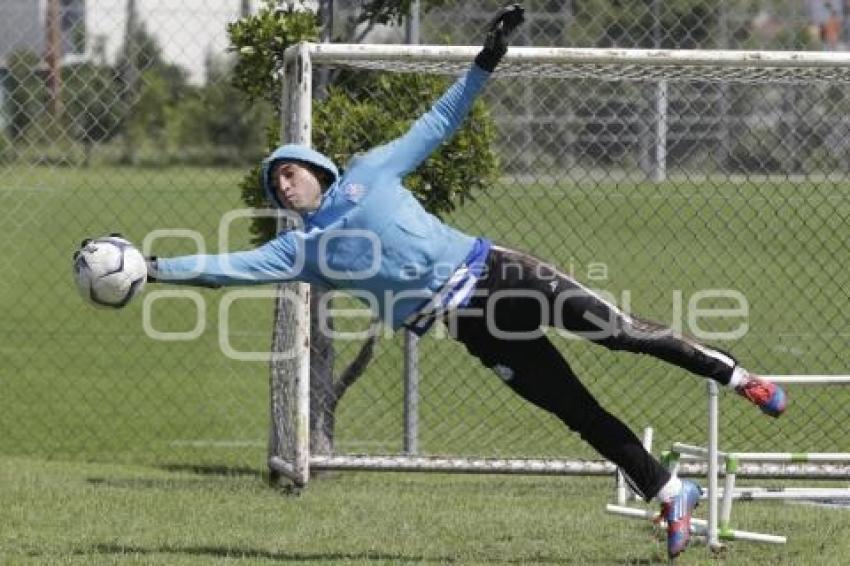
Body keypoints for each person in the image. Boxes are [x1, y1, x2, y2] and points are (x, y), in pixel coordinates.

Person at [115, 5, 787, 559]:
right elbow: (227, 269)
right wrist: (153, 268)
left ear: (315, 167)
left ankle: (740, 377)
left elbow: (438, 121)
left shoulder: (372, 171)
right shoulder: (303, 252)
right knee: (573, 410)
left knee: (618, 333)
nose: (280, 183)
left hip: (499, 272)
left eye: (286, 170)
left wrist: (484, 61)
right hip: (470, 325)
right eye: (273, 183)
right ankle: (672, 495)